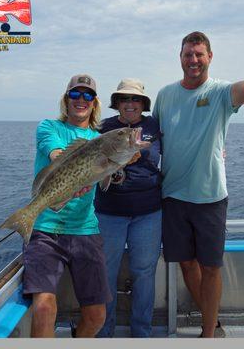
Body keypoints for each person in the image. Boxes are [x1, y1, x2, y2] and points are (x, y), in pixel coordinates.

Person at [152, 31, 244, 338]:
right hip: (173, 196)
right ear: (180, 58)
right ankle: (212, 320)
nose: (193, 60)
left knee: (211, 268)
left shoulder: (219, 92)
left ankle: (208, 333)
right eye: (188, 54)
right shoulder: (165, 95)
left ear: (209, 57)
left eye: (199, 54)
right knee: (187, 265)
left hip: (210, 198)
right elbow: (153, 141)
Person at [22, 74, 112, 338]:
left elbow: (107, 178)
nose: (80, 100)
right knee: (44, 308)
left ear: (94, 103)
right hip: (46, 230)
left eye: (87, 96)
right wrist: (74, 174)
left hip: (85, 230)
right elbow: (55, 153)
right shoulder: (48, 126)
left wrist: (116, 168)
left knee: (97, 316)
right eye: (75, 94)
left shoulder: (100, 139)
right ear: (66, 99)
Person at [95, 78, 162, 338]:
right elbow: (95, 165)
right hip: (109, 213)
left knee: (144, 273)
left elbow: (163, 153)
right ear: (117, 104)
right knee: (106, 273)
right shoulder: (104, 128)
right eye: (124, 99)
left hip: (148, 212)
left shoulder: (153, 125)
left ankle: (141, 334)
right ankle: (104, 333)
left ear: (143, 103)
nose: (130, 104)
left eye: (135, 99)